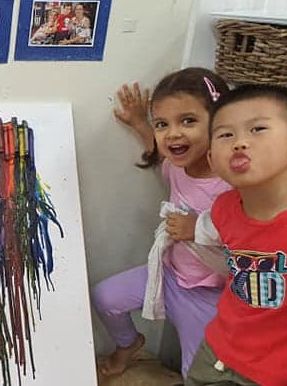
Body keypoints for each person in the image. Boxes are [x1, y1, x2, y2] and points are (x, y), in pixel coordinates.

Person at [92, 68, 232, 379]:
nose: (173, 134)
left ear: (221, 123)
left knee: (196, 372)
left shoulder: (231, 183)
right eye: (163, 124)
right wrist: (141, 124)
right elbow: (160, 156)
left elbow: (253, 238)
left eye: (188, 121)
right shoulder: (176, 167)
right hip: (166, 275)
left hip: (207, 295)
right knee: (105, 297)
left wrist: (197, 228)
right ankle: (129, 345)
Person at [186, 84, 287, 386]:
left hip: (283, 372)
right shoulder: (223, 208)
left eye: (257, 129)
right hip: (216, 353)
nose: (239, 143)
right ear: (211, 159)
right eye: (225, 135)